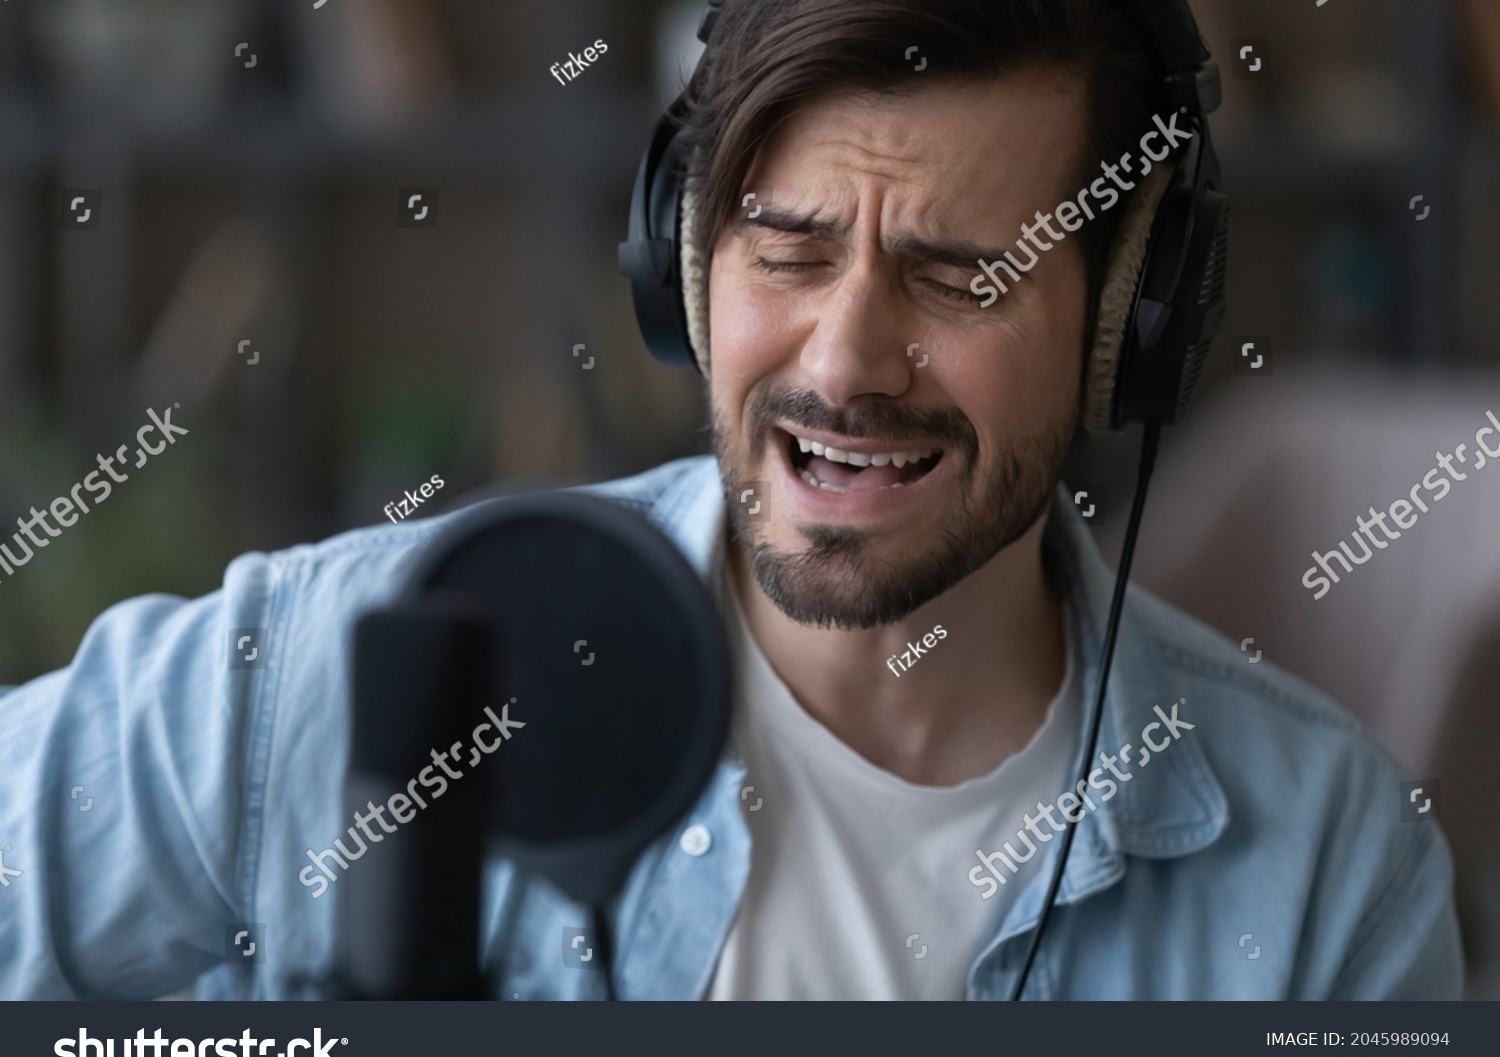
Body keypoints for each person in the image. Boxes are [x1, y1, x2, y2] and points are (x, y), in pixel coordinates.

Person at [0, 0, 1461, 1000]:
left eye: (964, 275)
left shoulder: (1328, 866)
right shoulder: (368, 663)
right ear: (678, 268)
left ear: (1128, 328)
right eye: (787, 248)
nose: (844, 363)